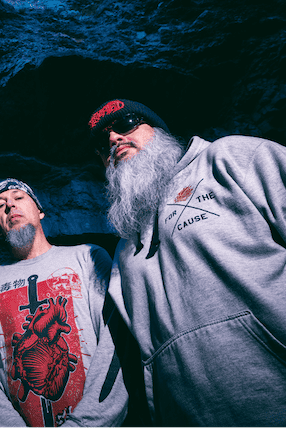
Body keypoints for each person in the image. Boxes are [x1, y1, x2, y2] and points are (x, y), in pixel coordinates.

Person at [89, 98, 286, 426]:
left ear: (159, 131)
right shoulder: (124, 247)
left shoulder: (230, 157)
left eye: (126, 124)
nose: (113, 139)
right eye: (101, 142)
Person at [0, 178, 128, 428]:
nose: (10, 205)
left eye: (19, 197)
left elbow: (116, 345)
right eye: (0, 205)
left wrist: (85, 424)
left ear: (40, 211)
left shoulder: (88, 257)